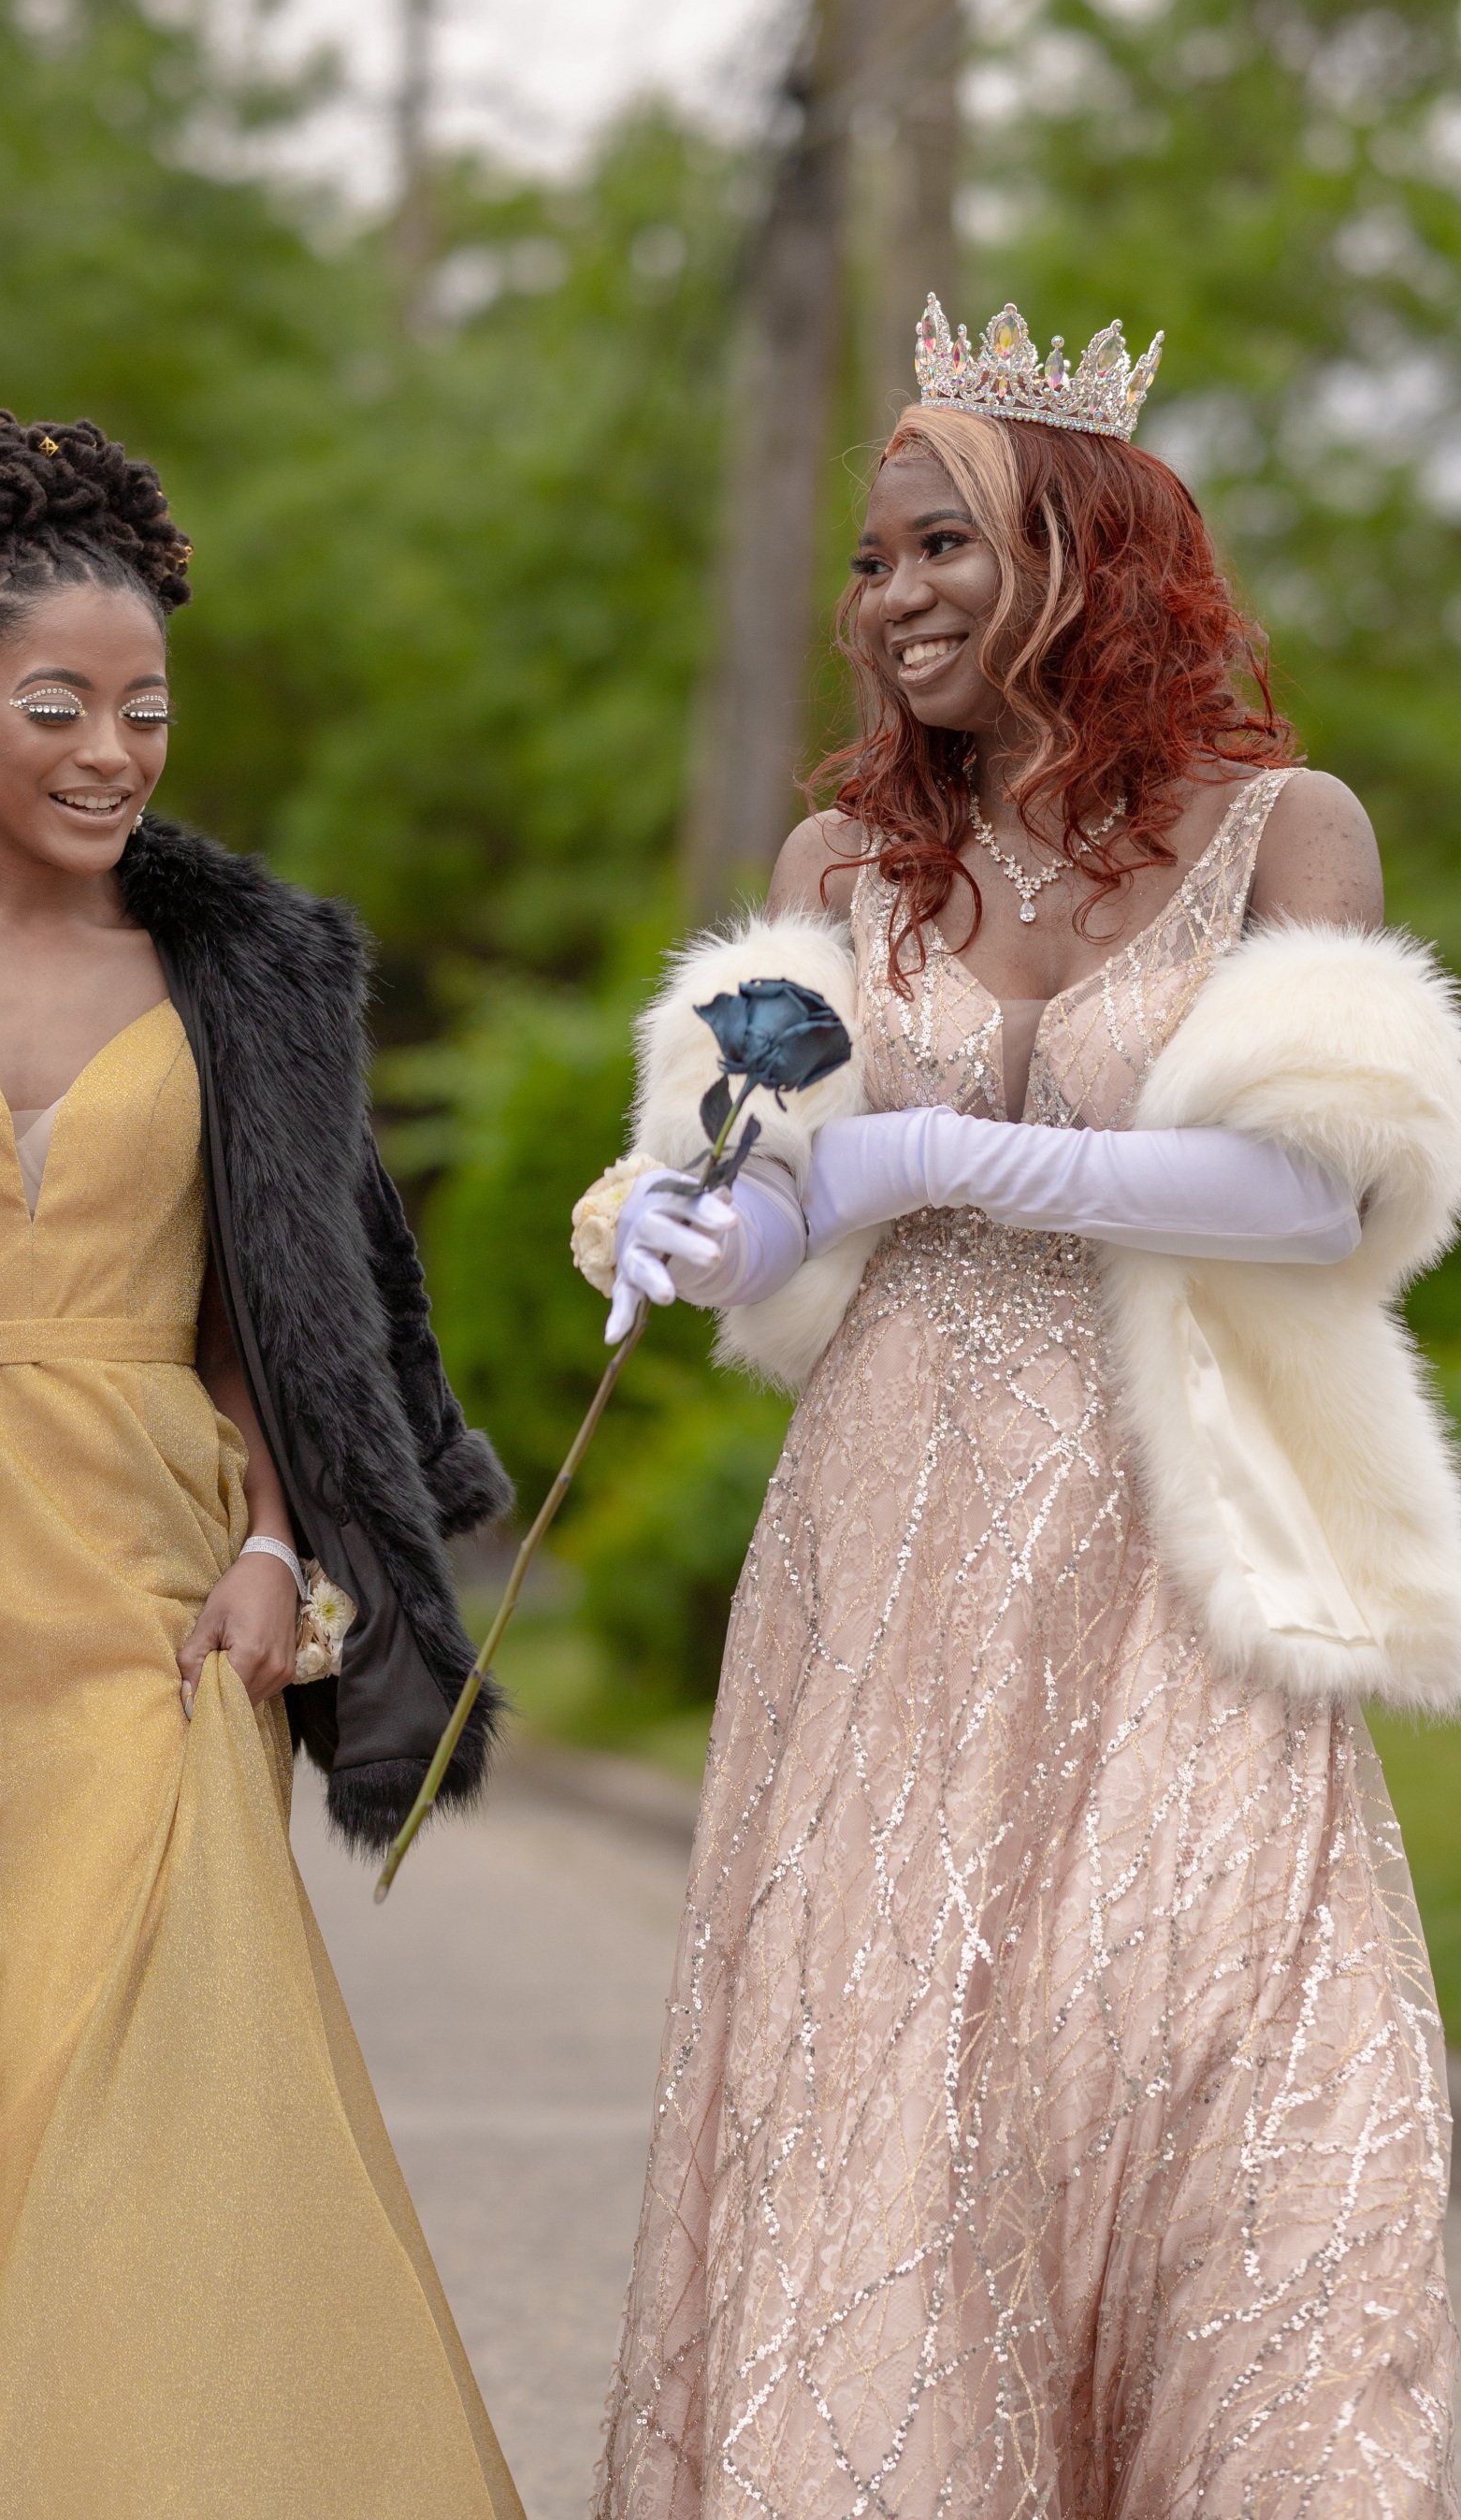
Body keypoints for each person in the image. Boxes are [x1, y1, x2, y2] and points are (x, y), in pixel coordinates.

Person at [582, 303, 1461, 2515]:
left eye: (941, 546)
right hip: (892, 1534)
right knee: (904, 2051)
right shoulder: (840, 870)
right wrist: (687, 1223)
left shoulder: (1284, 832)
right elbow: (782, 1211)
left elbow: (1315, 1192)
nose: (892, 599)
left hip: (1186, 1530)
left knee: (1219, 2053)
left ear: (1088, 551)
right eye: (871, 561)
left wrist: (931, 1153)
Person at [0, 411, 524, 2519]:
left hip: (153, 1584)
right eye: (56, 707)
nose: (112, 752)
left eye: (146, 710)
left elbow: (283, 1316)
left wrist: (277, 1547)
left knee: (136, 2097)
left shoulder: (250, 977)